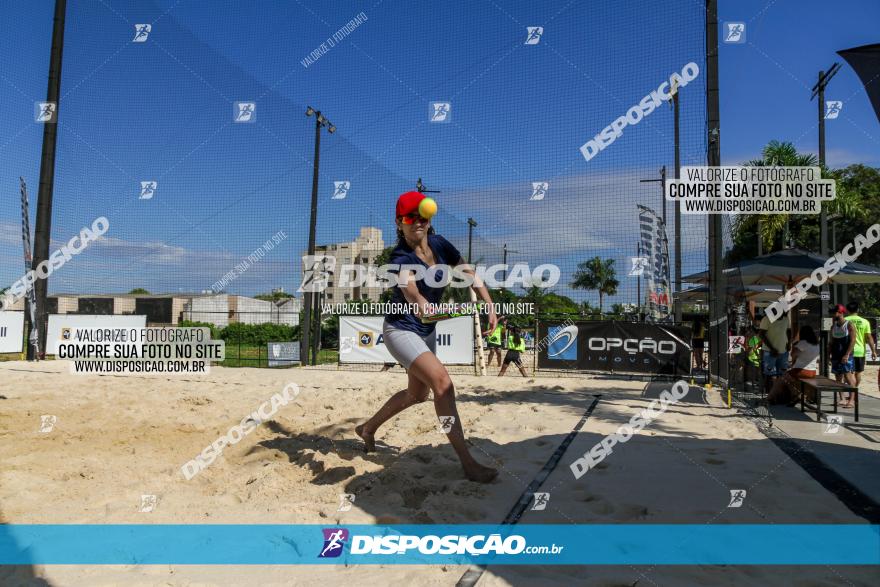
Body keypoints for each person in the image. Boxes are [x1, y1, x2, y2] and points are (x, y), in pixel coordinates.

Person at [356, 191, 498, 483]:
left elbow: (469, 273)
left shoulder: (440, 243)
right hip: (402, 330)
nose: (416, 222)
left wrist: (489, 304)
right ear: (399, 223)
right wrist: (444, 306)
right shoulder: (399, 257)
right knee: (443, 384)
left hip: (426, 331)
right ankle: (467, 462)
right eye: (409, 217)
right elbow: (415, 299)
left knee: (416, 394)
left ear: (428, 219)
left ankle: (367, 428)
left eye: (421, 216)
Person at [768, 325, 819, 405]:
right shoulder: (816, 344)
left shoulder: (803, 343)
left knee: (781, 380)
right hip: (812, 372)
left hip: (801, 371)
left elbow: (793, 354)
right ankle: (796, 395)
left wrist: (795, 342)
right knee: (787, 380)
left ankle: (770, 397)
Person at [844, 301, 877, 399]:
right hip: (860, 351)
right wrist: (873, 351)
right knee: (858, 372)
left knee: (849, 373)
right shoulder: (864, 321)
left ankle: (851, 392)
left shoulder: (845, 320)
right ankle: (854, 391)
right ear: (857, 310)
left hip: (847, 351)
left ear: (847, 310)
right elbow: (869, 337)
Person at [829, 304, 857, 407]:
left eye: (834, 312)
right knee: (838, 377)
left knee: (848, 376)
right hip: (836, 355)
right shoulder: (833, 326)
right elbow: (831, 342)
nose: (833, 314)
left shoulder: (849, 324)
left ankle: (852, 400)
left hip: (846, 355)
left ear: (841, 312)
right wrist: (828, 354)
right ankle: (842, 399)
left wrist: (847, 354)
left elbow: (853, 340)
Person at [759, 308, 791, 396]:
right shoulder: (766, 319)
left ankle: (779, 393)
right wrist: (771, 348)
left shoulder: (786, 319)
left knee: (782, 374)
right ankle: (769, 394)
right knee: (769, 374)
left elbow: (789, 331)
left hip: (783, 351)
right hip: (769, 352)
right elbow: (761, 334)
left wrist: (789, 344)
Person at [744, 321, 763, 390]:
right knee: (757, 371)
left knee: (755, 371)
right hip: (757, 357)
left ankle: (755, 382)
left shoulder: (754, 338)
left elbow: (749, 349)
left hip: (754, 357)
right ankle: (756, 382)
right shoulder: (761, 338)